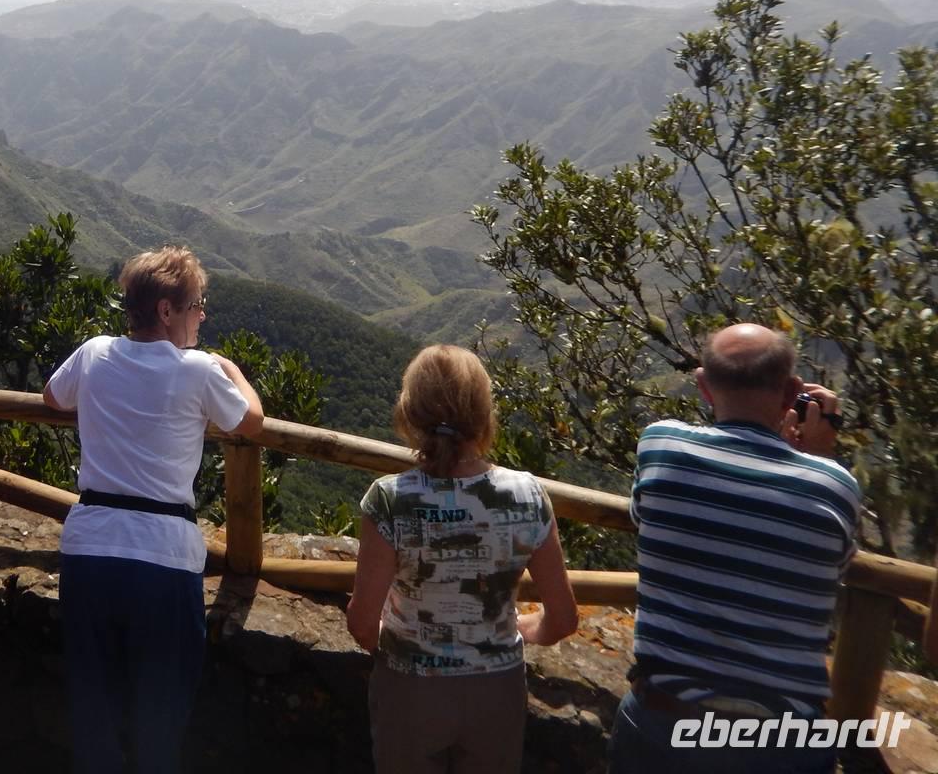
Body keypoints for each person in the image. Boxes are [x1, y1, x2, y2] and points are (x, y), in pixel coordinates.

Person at [43, 245, 264, 773]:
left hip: (91, 548)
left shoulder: (94, 352)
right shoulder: (197, 370)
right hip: (164, 560)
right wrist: (229, 367)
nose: (202, 316)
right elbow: (251, 422)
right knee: (159, 718)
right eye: (196, 305)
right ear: (167, 310)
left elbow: (53, 398)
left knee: (92, 707)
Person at [608, 323, 862, 774]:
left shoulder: (662, 445)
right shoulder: (835, 486)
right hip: (784, 746)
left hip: (662, 727)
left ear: (704, 386)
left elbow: (642, 517)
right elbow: (834, 564)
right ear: (793, 393)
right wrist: (817, 458)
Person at [347, 344, 578, 773]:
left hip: (410, 690)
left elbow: (362, 624)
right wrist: (520, 629)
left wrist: (406, 647)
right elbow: (563, 620)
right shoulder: (527, 495)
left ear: (410, 412)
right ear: (483, 415)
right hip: (497, 689)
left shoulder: (390, 499)